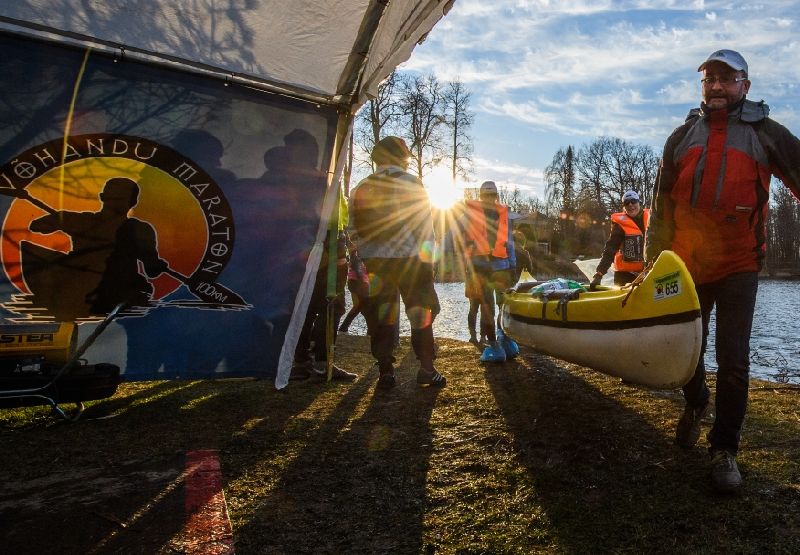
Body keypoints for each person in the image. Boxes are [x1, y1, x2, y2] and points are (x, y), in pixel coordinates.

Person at [645, 49, 800, 492]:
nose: (716, 86)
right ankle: (696, 402)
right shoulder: (681, 137)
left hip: (739, 265)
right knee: (684, 351)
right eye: (709, 79)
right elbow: (663, 206)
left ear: (745, 86)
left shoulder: (766, 133)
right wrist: (655, 262)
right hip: (686, 264)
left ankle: (724, 450)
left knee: (733, 360)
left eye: (726, 79)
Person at [349, 136, 445, 389]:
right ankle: (426, 368)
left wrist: (367, 254)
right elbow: (425, 227)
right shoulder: (412, 184)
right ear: (402, 159)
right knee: (422, 312)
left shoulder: (360, 187)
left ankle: (386, 371)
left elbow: (353, 230)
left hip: (376, 262)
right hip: (411, 261)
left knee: (382, 316)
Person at [461, 181, 518, 363]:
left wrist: (512, 265)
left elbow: (509, 243)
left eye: (491, 196)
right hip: (485, 269)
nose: (489, 199)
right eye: (487, 196)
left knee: (500, 307)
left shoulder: (502, 216)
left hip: (496, 268)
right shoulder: (473, 216)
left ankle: (500, 344)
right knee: (491, 308)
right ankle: (498, 344)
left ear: (495, 197)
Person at [290, 229, 358, 381]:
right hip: (328, 259)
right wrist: (341, 252)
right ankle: (322, 363)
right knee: (332, 308)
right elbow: (333, 221)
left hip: (304, 254)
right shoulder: (330, 206)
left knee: (306, 308)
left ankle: (301, 362)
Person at [590, 190, 651, 288]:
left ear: (639, 202)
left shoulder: (651, 219)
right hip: (624, 275)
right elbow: (610, 249)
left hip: (648, 271)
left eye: (633, 201)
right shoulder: (620, 225)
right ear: (624, 207)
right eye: (627, 203)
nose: (630, 205)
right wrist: (599, 274)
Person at [338, 239, 369, 333]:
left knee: (360, 306)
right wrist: (363, 282)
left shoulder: (356, 254)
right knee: (361, 305)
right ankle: (343, 327)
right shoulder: (356, 255)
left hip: (357, 282)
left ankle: (344, 328)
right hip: (357, 282)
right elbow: (358, 270)